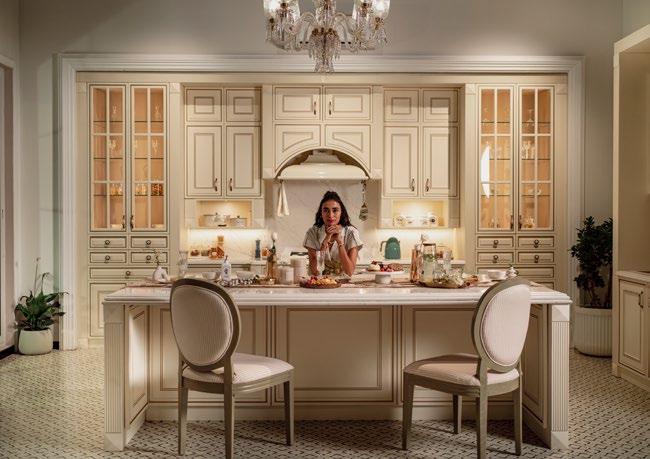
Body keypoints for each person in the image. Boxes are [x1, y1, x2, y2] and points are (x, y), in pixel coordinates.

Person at [303, 191, 363, 277]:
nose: (330, 215)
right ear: (321, 213)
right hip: (318, 283)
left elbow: (349, 272)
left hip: (344, 284)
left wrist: (339, 241)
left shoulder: (351, 233)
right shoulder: (312, 233)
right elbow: (315, 271)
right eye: (326, 210)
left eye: (335, 210)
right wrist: (327, 238)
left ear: (341, 212)